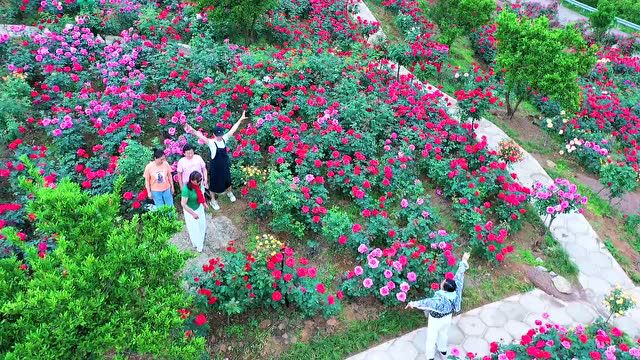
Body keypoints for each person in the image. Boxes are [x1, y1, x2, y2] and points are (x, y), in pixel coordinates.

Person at [405, 252, 470, 360]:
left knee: (431, 338)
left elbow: (426, 302)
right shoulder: (456, 289)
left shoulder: (439, 300)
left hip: (436, 321)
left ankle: (430, 357)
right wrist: (464, 260)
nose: (442, 282)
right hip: (447, 318)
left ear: (444, 288)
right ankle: (443, 350)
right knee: (443, 334)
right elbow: (459, 274)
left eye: (443, 282)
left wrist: (412, 303)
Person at [183, 110, 248, 210]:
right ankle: (213, 200)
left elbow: (232, 130)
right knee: (213, 185)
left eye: (221, 134)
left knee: (228, 181)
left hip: (225, 166)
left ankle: (229, 192)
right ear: (214, 134)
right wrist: (191, 129)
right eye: (218, 135)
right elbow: (199, 135)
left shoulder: (224, 139)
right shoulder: (211, 142)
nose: (219, 136)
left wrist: (240, 119)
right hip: (215, 168)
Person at [181, 171, 208, 252]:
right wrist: (193, 214)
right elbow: (183, 204)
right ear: (192, 180)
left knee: (202, 225)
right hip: (190, 211)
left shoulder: (198, 185)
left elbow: (201, 195)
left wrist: (204, 204)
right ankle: (198, 244)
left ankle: (201, 240)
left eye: (200, 180)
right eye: (198, 180)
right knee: (194, 228)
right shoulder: (186, 189)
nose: (200, 182)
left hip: (199, 207)